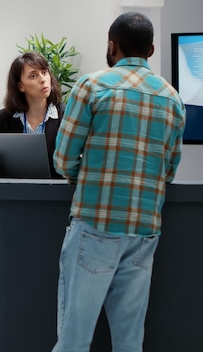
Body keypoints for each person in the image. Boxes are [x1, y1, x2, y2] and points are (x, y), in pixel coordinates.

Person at [52, 12, 186, 352]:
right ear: (152, 50)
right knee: (129, 341)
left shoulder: (92, 85)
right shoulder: (172, 99)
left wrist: (87, 177)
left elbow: (64, 159)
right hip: (144, 230)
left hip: (96, 224)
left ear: (112, 45)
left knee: (74, 339)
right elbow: (169, 170)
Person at [0, 51, 64, 178]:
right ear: (20, 86)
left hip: (56, 193)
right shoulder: (5, 118)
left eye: (44, 72)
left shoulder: (66, 116)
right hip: (17, 193)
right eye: (33, 76)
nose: (43, 80)